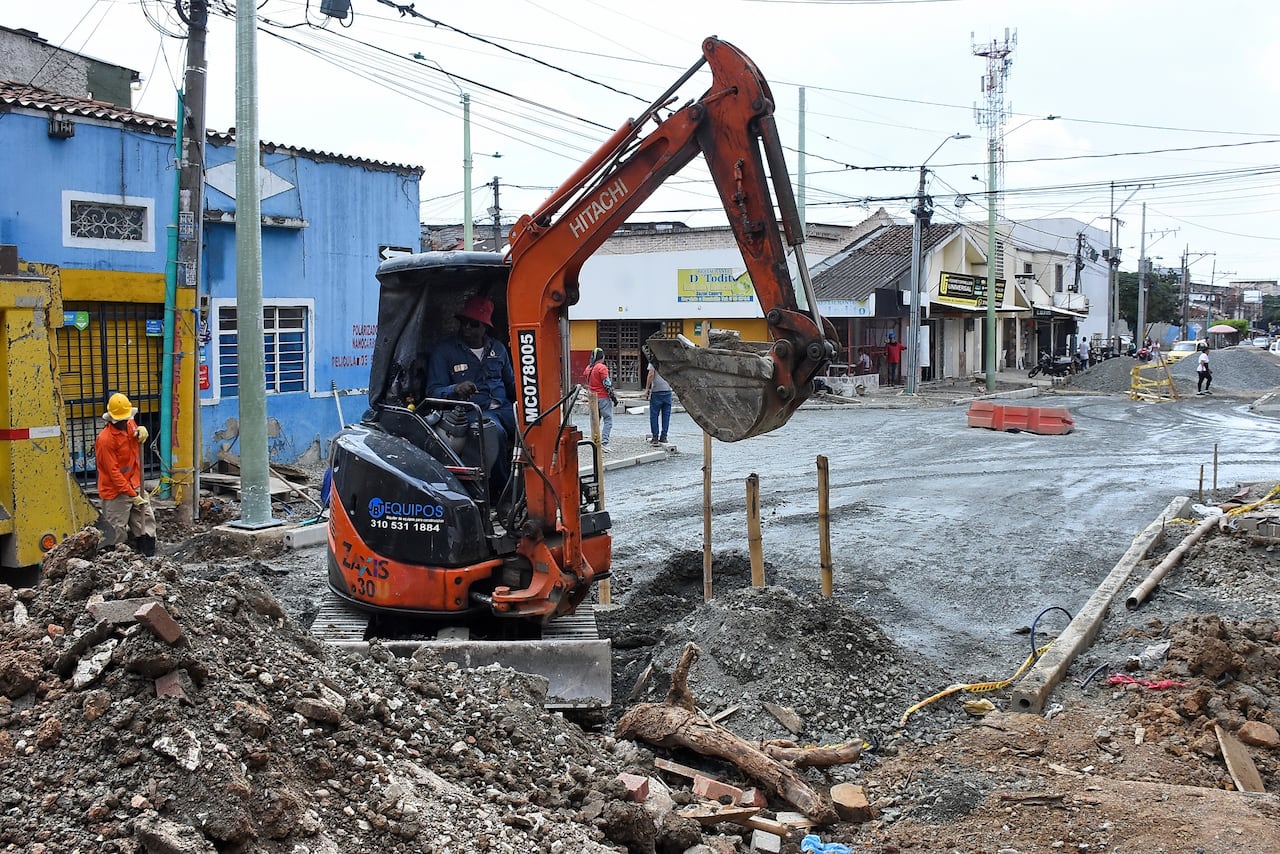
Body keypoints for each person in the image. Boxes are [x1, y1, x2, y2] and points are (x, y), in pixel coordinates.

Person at [426, 295, 517, 499]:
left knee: (532, 428)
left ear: (485, 328)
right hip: (472, 411)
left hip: (503, 408)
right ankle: (502, 494)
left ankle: (528, 487)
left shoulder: (498, 349)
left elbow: (511, 384)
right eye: (464, 322)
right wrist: (456, 388)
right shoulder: (445, 351)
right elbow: (433, 391)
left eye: (473, 324)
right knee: (495, 433)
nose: (467, 328)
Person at [95, 392, 156, 556]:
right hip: (115, 491)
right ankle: (116, 559)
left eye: (126, 419)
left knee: (145, 519)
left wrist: (141, 431)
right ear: (112, 419)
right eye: (121, 420)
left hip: (135, 482)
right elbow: (113, 473)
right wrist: (131, 494)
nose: (124, 422)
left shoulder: (129, 424)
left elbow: (135, 432)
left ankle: (148, 552)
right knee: (116, 528)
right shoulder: (105, 440)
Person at [583, 347, 616, 450]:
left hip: (592, 397)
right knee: (608, 419)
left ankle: (595, 441)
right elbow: (607, 384)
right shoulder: (602, 368)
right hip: (603, 397)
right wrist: (613, 398)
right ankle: (604, 442)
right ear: (601, 357)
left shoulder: (588, 368)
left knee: (596, 420)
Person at [645, 362, 672, 444]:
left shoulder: (654, 360)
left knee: (654, 415)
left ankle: (655, 437)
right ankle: (664, 436)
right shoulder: (669, 360)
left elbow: (651, 374)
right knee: (666, 416)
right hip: (667, 390)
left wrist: (647, 389)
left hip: (657, 391)